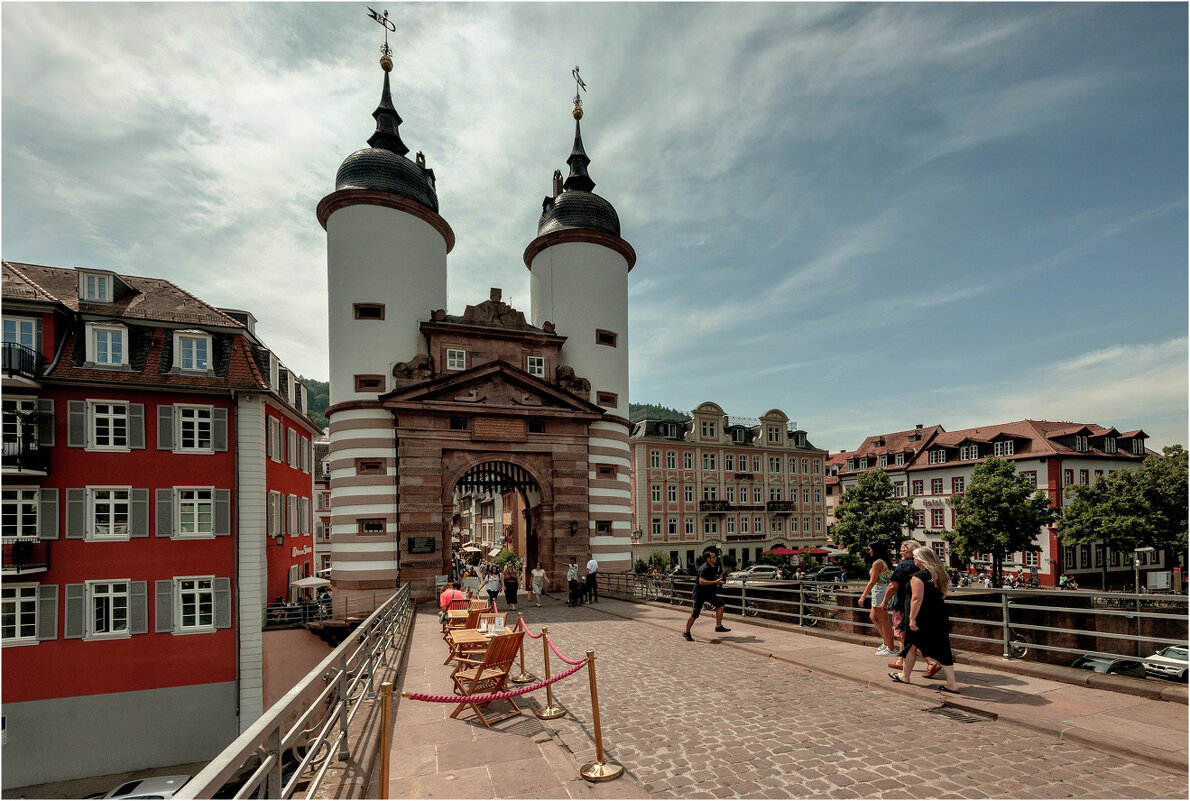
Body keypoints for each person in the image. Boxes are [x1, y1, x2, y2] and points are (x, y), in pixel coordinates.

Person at [889, 547, 960, 693]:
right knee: (942, 648)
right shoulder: (940, 575)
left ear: (921, 560)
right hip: (938, 615)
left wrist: (912, 619)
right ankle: (951, 683)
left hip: (920, 617)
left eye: (915, 557)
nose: (913, 560)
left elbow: (916, 599)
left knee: (910, 644)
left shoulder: (918, 577)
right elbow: (942, 596)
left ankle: (905, 676)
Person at [882, 540, 940, 678]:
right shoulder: (923, 567)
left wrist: (884, 601)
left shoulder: (903, 566)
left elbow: (892, 586)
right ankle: (901, 661)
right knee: (905, 635)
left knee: (902, 636)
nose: (901, 553)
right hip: (922, 606)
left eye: (903, 550)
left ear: (910, 551)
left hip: (903, 605)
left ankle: (930, 661)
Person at [683, 548, 730, 641]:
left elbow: (713, 578)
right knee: (695, 614)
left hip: (708, 593)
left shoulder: (711, 567)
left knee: (721, 605)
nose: (716, 558)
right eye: (714, 557)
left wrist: (721, 579)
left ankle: (718, 626)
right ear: (708, 559)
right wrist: (714, 582)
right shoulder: (704, 568)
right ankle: (686, 632)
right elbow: (701, 582)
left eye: (715, 557)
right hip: (700, 594)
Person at [858, 544, 895, 656]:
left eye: (870, 549)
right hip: (881, 589)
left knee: (884, 621)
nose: (869, 551)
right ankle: (886, 641)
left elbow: (872, 581)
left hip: (879, 590)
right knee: (873, 617)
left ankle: (891, 649)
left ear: (875, 550)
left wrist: (863, 596)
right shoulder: (883, 562)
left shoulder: (877, 563)